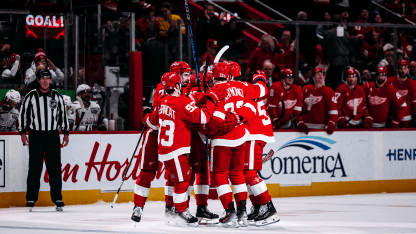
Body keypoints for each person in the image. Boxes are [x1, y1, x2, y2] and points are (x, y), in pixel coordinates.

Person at [141, 72, 216, 226]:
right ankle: (181, 211)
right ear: (176, 85)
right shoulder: (181, 102)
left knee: (181, 178)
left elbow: (152, 122)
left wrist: (145, 114)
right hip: (176, 149)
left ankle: (175, 210)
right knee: (182, 180)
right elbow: (203, 117)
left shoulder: (163, 101)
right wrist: (210, 100)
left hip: (166, 149)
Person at [207, 62, 268, 228]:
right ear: (229, 76)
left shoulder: (213, 91)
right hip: (241, 136)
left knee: (220, 175)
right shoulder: (242, 86)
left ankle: (230, 212)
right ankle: (242, 213)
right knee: (237, 174)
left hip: (222, 139)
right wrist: (260, 79)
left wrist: (210, 129)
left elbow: (212, 121)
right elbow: (261, 92)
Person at [132, 62, 192, 224]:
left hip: (168, 137)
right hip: (158, 135)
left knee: (173, 176)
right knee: (148, 172)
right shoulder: (164, 89)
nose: (189, 77)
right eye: (186, 74)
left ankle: (170, 206)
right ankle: (139, 207)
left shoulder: (181, 88)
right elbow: (158, 118)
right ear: (177, 76)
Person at [18, 68, 70, 211]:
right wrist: (22, 132)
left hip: (53, 135)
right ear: (38, 80)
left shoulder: (57, 96)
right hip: (35, 135)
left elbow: (62, 116)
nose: (46, 81)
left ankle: (57, 198)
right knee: (35, 167)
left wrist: (66, 133)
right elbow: (23, 115)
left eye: (48, 78)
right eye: (43, 78)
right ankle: (31, 198)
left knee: (54, 168)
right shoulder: (31, 96)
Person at [236, 73, 279, 226]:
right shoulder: (251, 90)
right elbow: (261, 84)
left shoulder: (245, 91)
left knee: (249, 173)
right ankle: (258, 207)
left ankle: (268, 207)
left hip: (255, 133)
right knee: (246, 173)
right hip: (254, 133)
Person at [301, 67, 338, 134]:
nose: (320, 75)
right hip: (306, 126)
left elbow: (333, 109)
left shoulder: (329, 91)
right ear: (313, 78)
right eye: (318, 74)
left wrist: (332, 122)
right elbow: (299, 106)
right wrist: (300, 122)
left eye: (322, 74)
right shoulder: (305, 89)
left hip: (322, 127)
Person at [268, 68, 305, 132]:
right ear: (282, 79)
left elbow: (297, 110)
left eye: (292, 77)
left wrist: (299, 122)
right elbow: (271, 108)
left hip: (287, 124)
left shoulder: (297, 90)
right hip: (272, 124)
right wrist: (275, 121)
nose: (291, 79)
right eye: (288, 77)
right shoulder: (275, 87)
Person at [322, 15, 350, 91]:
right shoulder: (345, 33)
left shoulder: (328, 33)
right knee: (343, 81)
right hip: (344, 60)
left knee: (333, 82)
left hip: (333, 60)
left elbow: (324, 47)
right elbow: (348, 46)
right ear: (341, 22)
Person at [386, 60, 416, 127]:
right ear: (397, 70)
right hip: (391, 115)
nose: (403, 71)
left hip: (406, 116)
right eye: (401, 68)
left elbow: (414, 102)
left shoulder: (413, 84)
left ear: (408, 70)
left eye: (405, 68)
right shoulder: (389, 81)